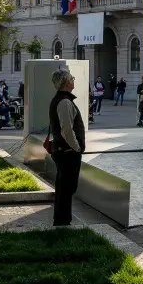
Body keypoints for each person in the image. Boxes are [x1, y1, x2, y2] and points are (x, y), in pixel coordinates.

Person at [48, 68, 86, 227]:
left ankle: (62, 220)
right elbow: (67, 129)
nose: (74, 80)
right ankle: (62, 222)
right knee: (66, 188)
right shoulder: (64, 101)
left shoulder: (62, 100)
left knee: (65, 187)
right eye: (72, 78)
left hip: (64, 150)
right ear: (66, 82)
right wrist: (76, 147)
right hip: (67, 151)